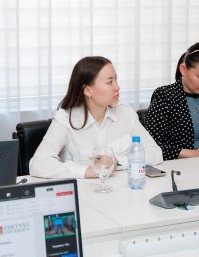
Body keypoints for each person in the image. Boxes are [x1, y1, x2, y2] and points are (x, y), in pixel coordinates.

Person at [29, 56, 162, 179]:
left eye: (116, 80)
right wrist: (87, 171)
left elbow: (155, 153)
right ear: (88, 90)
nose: (117, 87)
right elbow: (38, 164)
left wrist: (117, 161)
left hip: (121, 190)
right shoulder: (65, 119)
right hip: (83, 193)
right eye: (109, 82)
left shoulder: (125, 112)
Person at [144, 42, 199, 160]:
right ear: (183, 69)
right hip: (184, 164)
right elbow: (152, 147)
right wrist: (194, 153)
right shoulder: (165, 95)